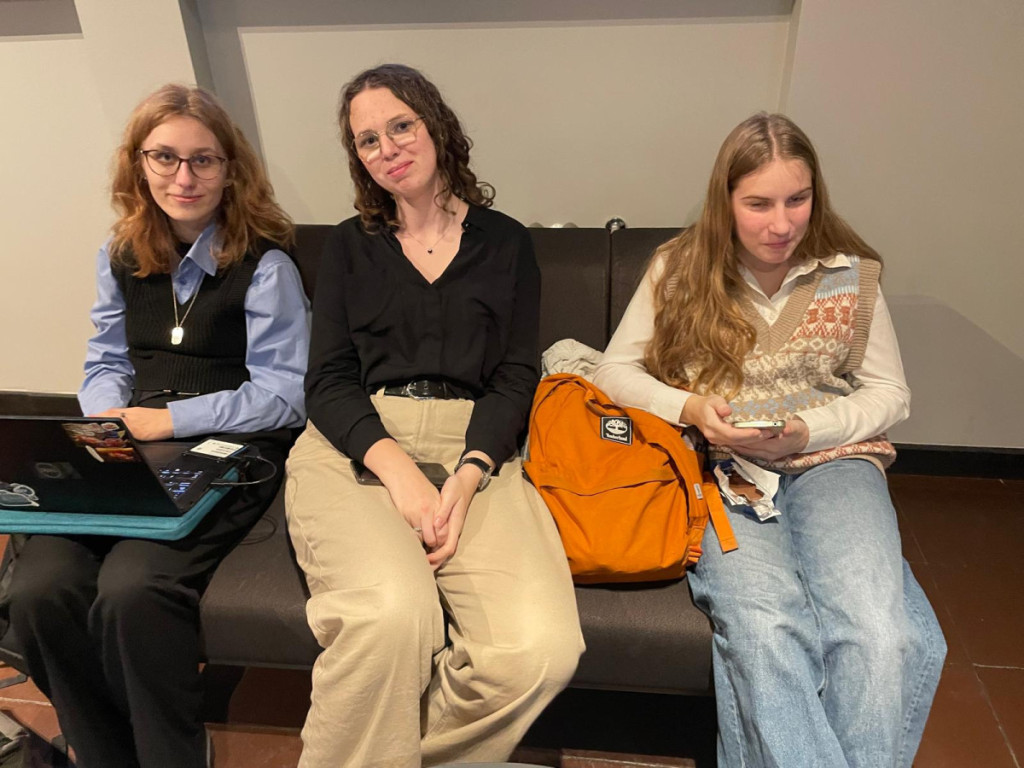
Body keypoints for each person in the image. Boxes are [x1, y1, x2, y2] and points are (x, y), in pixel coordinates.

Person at [593, 113, 945, 767]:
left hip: (835, 462)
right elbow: (614, 372)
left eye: (797, 199)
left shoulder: (849, 275)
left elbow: (890, 394)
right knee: (764, 626)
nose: (781, 224)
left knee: (883, 634)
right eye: (758, 204)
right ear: (725, 200)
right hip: (722, 471)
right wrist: (690, 407)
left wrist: (810, 429)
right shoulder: (678, 269)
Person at [284, 63, 583, 768]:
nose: (387, 148)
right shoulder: (349, 246)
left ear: (436, 126)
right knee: (392, 617)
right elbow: (327, 382)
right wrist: (402, 476)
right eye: (367, 140)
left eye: (401, 126)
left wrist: (470, 474)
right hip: (360, 444)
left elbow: (515, 375)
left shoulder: (506, 243)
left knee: (539, 650)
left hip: (476, 445)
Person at [6, 84, 309, 768]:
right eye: (165, 157)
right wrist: (105, 422)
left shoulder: (265, 266)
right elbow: (105, 361)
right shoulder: (119, 254)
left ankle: (174, 752)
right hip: (129, 441)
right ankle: (105, 752)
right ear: (139, 164)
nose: (184, 177)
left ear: (230, 169)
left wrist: (169, 419)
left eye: (204, 159)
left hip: (229, 444)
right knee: (36, 590)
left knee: (133, 589)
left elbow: (284, 396)